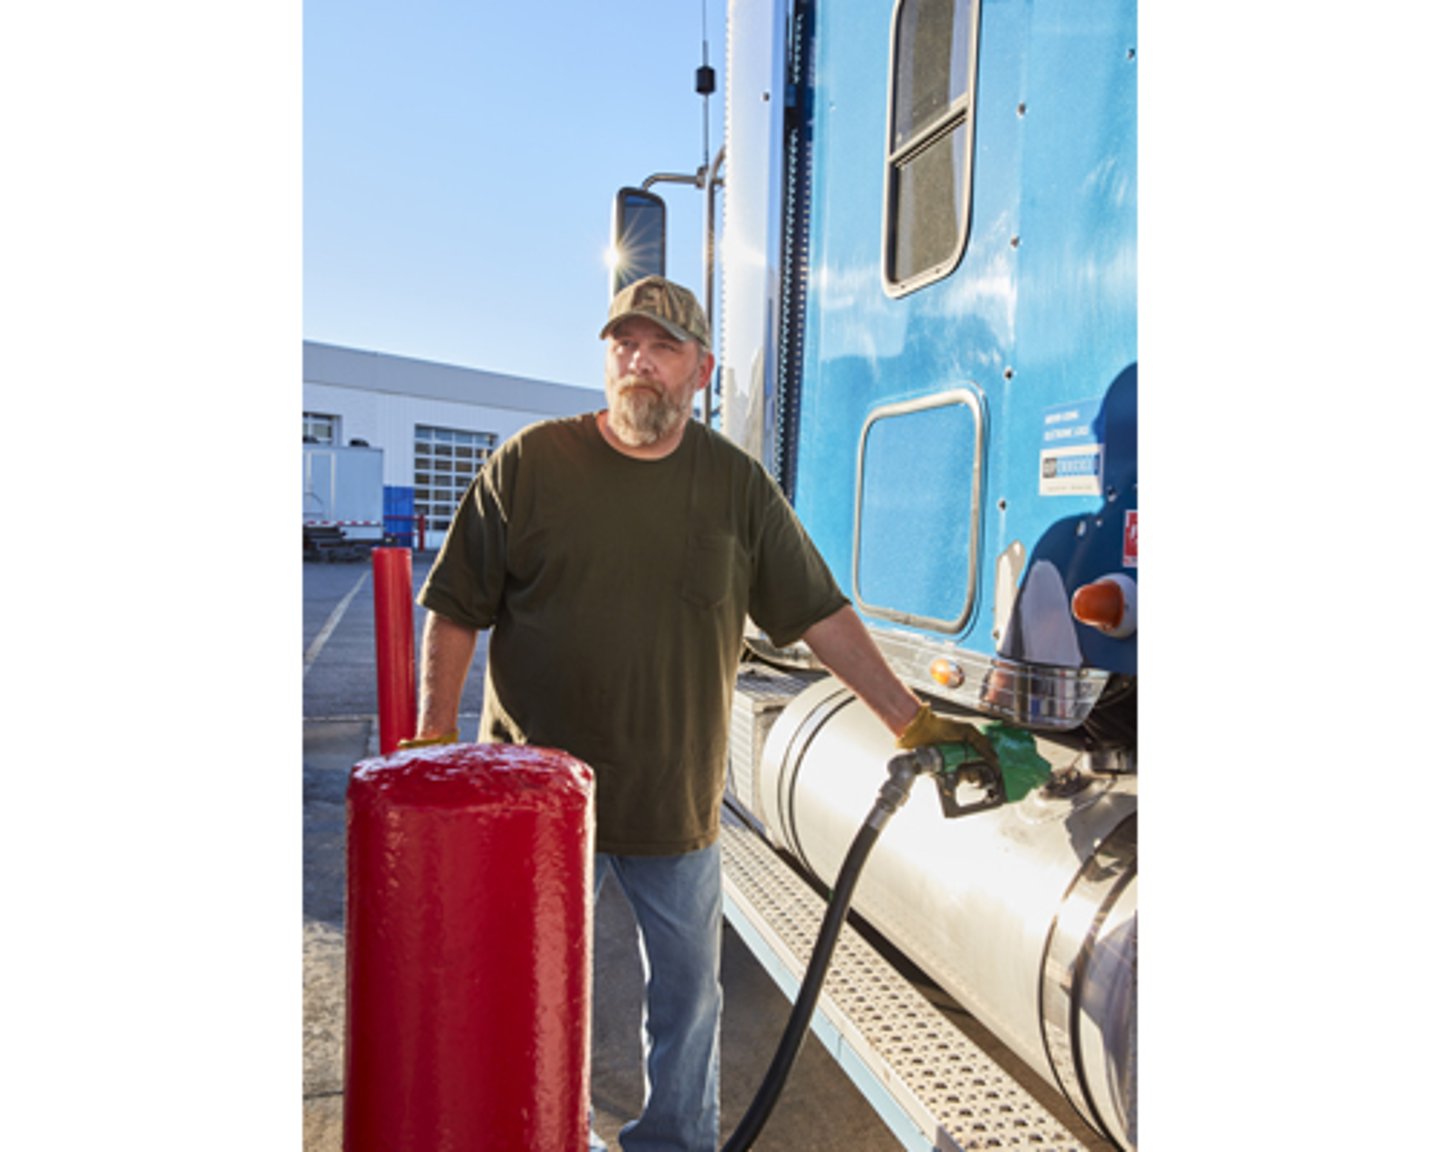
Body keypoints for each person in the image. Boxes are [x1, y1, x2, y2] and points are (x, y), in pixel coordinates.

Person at [410, 275, 976, 1152]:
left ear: (701, 370)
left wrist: (908, 719)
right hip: (538, 805)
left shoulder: (735, 486)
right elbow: (454, 607)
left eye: (662, 347)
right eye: (623, 345)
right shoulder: (531, 464)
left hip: (672, 800)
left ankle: (673, 1144)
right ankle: (527, 1132)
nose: (637, 362)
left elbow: (820, 613)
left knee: (689, 998)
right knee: (521, 992)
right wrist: (435, 739)